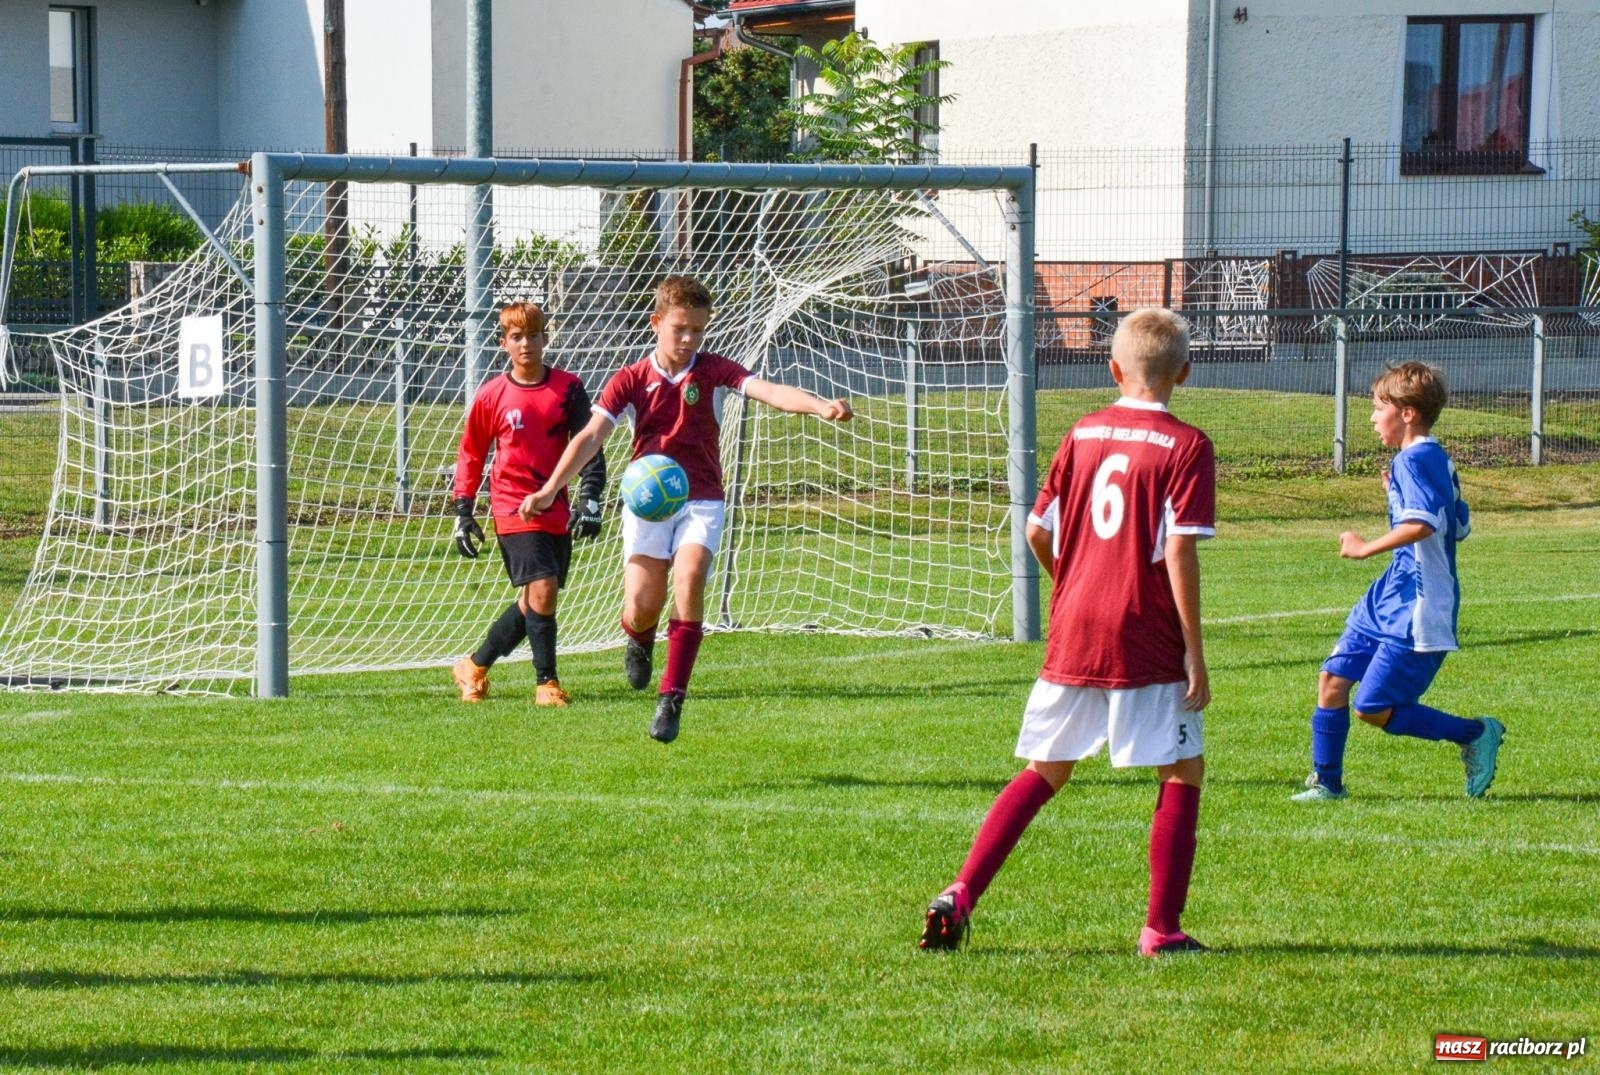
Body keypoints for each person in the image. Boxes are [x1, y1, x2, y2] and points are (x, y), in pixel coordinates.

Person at [919, 307, 1216, 958]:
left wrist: (1071, 582)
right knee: (1183, 767)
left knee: (1046, 769)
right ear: (1184, 373)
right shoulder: (1188, 445)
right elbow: (1179, 552)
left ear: (1113, 368)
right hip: (1143, 626)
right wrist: (1195, 649)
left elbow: (1035, 530)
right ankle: (1161, 929)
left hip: (1074, 622)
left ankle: (961, 892)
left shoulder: (1082, 432)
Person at [525, 274, 853, 743]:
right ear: (656, 322)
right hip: (647, 506)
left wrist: (820, 406)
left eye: (698, 330)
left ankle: (672, 697)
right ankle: (637, 638)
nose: (688, 339)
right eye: (680, 328)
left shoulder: (715, 371)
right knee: (641, 607)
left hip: (701, 497)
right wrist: (551, 489)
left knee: (691, 577)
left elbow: (772, 392)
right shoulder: (632, 379)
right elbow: (591, 436)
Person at [1291, 361, 1502, 802]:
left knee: (1372, 706)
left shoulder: (1413, 460)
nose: (1371, 417)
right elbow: (1458, 524)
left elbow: (1425, 524)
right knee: (1332, 679)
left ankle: (1474, 733)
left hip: (1419, 605)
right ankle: (1327, 783)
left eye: (1377, 407)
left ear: (1407, 413)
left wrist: (1364, 546)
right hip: (1388, 595)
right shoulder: (1432, 458)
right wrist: (1396, 493)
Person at [450, 301, 606, 707]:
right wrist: (463, 512)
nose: (526, 344)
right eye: (516, 337)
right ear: (504, 343)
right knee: (544, 588)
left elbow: (590, 445)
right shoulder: (492, 396)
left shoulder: (569, 388)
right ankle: (546, 684)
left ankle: (474, 665)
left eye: (533, 336)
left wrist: (590, 496)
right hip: (512, 507)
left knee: (534, 600)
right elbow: (471, 454)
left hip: (556, 505)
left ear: (544, 338)